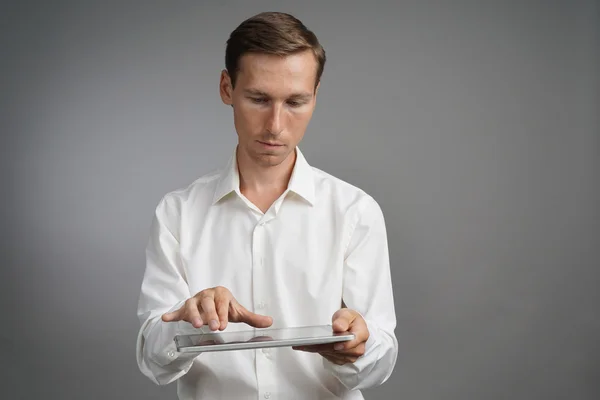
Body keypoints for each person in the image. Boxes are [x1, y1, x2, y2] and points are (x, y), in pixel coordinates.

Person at [136, 11, 398, 400]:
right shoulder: (177, 214)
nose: (275, 125)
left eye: (296, 101)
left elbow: (380, 359)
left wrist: (358, 347)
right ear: (227, 88)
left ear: (316, 95)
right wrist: (191, 320)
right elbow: (153, 361)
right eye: (258, 99)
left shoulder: (355, 211)